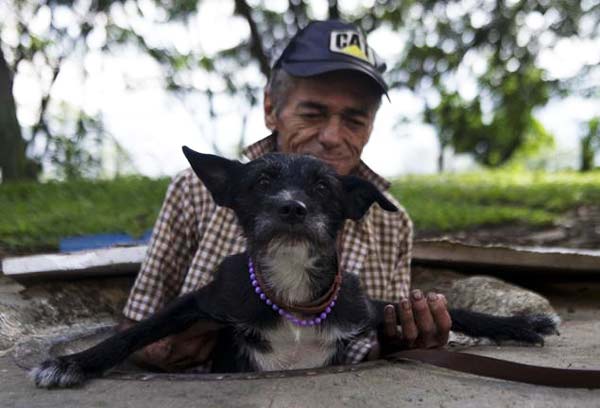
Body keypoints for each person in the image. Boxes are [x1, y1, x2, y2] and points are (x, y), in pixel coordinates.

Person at [118, 20, 451, 372]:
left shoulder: (390, 221)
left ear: (370, 127)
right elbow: (136, 325)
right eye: (312, 113)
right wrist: (163, 348)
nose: (332, 137)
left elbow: (372, 354)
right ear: (271, 110)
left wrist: (402, 343)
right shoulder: (196, 190)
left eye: (354, 120)